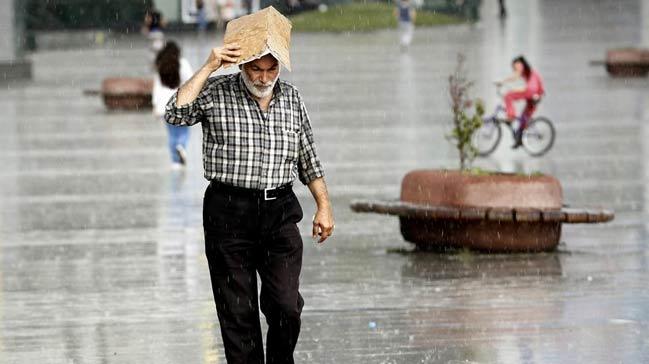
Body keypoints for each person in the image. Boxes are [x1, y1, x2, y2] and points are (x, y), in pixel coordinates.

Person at [165, 43, 335, 363]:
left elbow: (308, 159)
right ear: (242, 66)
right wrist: (208, 66)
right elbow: (175, 113)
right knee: (238, 315)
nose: (263, 77)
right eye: (256, 69)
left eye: (271, 69)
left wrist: (323, 206)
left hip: (279, 211)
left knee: (286, 306)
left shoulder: (293, 98)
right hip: (228, 213)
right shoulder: (215, 92)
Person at [153, 41, 193, 168]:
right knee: (183, 130)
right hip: (181, 101)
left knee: (172, 133)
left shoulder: (161, 65)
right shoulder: (183, 63)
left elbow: (157, 87)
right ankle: (181, 147)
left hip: (165, 104)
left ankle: (175, 161)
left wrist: (155, 105)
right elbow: (191, 81)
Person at [497, 56, 545, 148]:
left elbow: (516, 77)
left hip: (531, 91)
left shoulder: (521, 66)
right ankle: (519, 139)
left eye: (515, 67)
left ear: (520, 63)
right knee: (524, 117)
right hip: (537, 94)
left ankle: (510, 116)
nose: (515, 69)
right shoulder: (530, 72)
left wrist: (503, 81)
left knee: (508, 96)